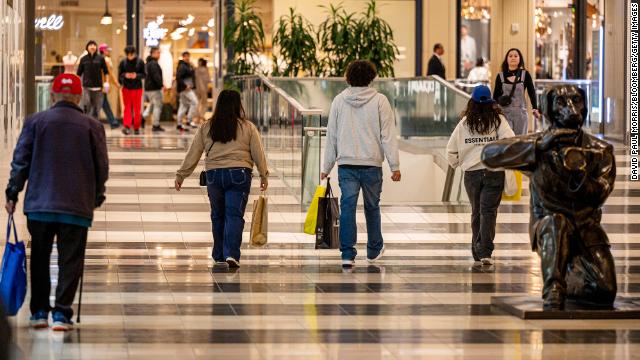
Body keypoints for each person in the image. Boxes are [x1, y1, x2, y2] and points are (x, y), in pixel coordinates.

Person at [4, 74, 109, 331]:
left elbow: (21, 161)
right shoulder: (92, 126)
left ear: (52, 96)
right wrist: (96, 195)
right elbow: (101, 168)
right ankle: (62, 313)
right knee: (70, 260)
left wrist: (12, 191)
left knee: (39, 258)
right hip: (76, 206)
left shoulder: (35, 122)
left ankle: (39, 312)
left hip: (40, 205)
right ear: (78, 97)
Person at [320, 60, 401, 268]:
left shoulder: (339, 100)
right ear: (371, 77)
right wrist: (394, 166)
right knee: (372, 207)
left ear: (348, 77)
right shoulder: (380, 101)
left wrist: (326, 167)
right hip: (372, 164)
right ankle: (373, 251)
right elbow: (388, 135)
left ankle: (347, 254)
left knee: (347, 208)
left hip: (346, 164)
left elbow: (332, 136)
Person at [175, 90, 268, 268]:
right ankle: (231, 254)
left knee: (218, 215)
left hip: (214, 175)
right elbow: (258, 153)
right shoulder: (248, 127)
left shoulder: (207, 126)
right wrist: (264, 175)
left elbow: (194, 152)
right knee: (234, 215)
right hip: (239, 174)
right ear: (238, 105)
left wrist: (181, 175)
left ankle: (218, 255)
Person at [446, 85, 515, 265]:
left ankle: (478, 252)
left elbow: (450, 150)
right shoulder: (498, 120)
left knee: (477, 212)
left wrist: (458, 164)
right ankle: (485, 251)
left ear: (472, 102)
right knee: (489, 211)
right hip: (494, 171)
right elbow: (511, 140)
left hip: (472, 174)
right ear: (491, 102)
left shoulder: (464, 123)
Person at [493, 48, 540, 135]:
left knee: (520, 141)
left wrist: (535, 108)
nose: (513, 58)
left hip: (520, 114)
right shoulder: (500, 76)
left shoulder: (525, 74)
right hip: (504, 113)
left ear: (520, 59)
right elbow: (495, 96)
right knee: (506, 139)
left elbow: (531, 92)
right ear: (507, 59)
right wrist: (498, 104)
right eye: (510, 56)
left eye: (516, 56)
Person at [76, 40, 108, 120]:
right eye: (90, 45)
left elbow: (105, 72)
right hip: (86, 87)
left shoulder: (101, 58)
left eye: (94, 45)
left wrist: (106, 83)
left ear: (96, 47)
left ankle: (95, 123)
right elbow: (78, 73)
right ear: (87, 47)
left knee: (97, 107)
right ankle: (87, 122)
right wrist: (78, 85)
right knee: (87, 105)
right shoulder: (83, 59)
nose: (92, 47)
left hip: (98, 87)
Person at [118, 45, 146, 135]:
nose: (130, 56)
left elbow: (145, 75)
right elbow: (120, 75)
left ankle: (137, 127)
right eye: (128, 55)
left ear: (134, 53)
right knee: (127, 108)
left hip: (137, 88)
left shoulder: (140, 62)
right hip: (126, 87)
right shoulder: (123, 62)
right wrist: (125, 75)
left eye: (131, 54)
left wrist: (136, 75)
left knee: (137, 108)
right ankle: (127, 126)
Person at [143, 46, 165, 132]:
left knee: (152, 105)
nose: (159, 54)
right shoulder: (153, 64)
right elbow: (156, 76)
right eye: (157, 52)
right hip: (155, 88)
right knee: (157, 106)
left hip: (149, 88)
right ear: (152, 53)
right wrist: (161, 85)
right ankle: (156, 125)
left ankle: (143, 117)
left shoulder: (148, 63)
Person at [99, 43, 120, 129]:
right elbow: (110, 74)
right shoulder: (105, 60)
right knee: (103, 103)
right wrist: (116, 83)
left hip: (102, 84)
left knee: (103, 103)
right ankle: (113, 121)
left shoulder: (102, 59)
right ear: (103, 51)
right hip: (103, 84)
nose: (108, 52)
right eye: (107, 50)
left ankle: (113, 121)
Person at [176, 51, 199, 131]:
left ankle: (179, 123)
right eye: (186, 56)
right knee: (195, 102)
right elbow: (178, 77)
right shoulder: (182, 66)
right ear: (183, 57)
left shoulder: (187, 65)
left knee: (183, 105)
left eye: (188, 56)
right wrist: (185, 86)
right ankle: (189, 120)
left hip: (185, 88)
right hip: (185, 89)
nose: (187, 58)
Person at [195, 58, 211, 124]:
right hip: (203, 88)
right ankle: (201, 116)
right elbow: (208, 79)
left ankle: (198, 117)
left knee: (197, 103)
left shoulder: (196, 69)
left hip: (197, 88)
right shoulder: (205, 69)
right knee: (204, 103)